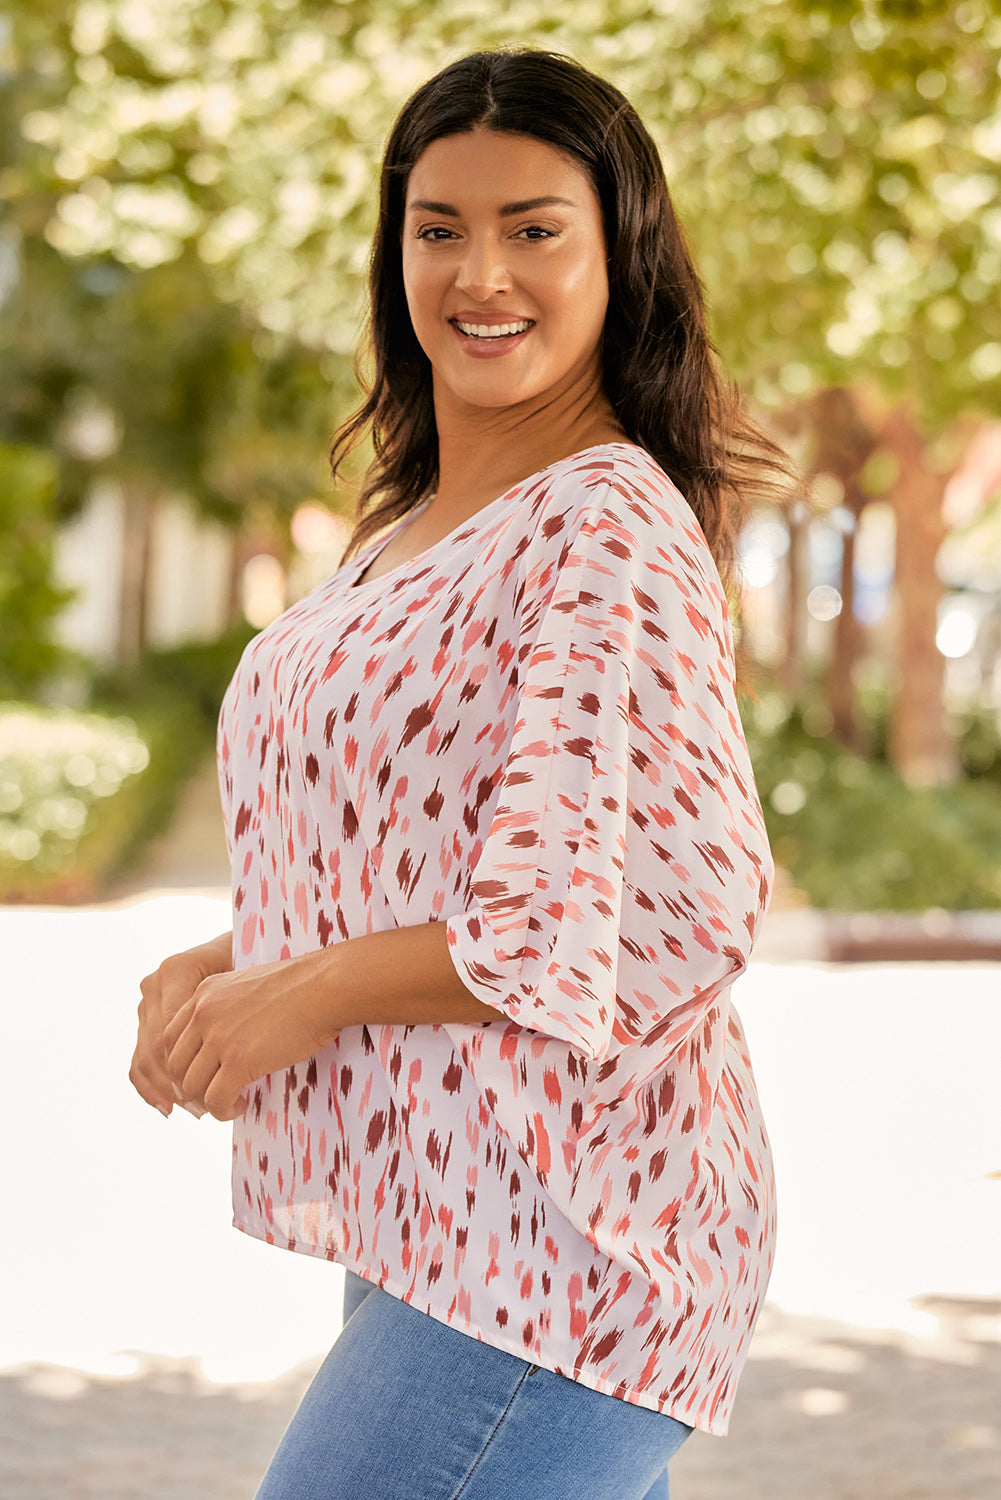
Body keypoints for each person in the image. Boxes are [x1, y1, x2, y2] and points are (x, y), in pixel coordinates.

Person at [130, 48, 798, 1499]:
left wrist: (297, 993)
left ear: (617, 254)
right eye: (438, 228)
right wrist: (234, 957)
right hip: (442, 1206)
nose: (478, 273)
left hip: (576, 1228)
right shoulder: (415, 522)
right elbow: (459, 857)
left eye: (532, 228)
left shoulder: (603, 524)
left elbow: (590, 916)